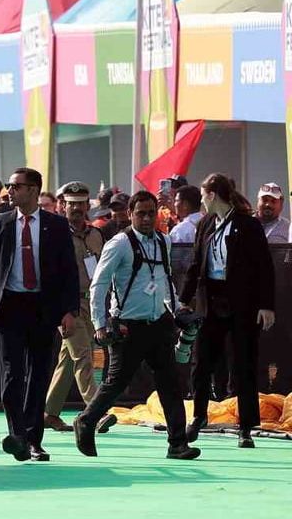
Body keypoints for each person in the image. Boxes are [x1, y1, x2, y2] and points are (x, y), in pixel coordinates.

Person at [75, 191, 200, 460]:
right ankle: (86, 421)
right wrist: (99, 324)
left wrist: (178, 308)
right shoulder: (119, 244)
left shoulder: (163, 242)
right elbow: (99, 285)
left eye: (150, 212)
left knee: (170, 384)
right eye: (140, 213)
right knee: (116, 383)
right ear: (130, 214)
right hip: (127, 327)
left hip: (158, 324)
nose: (146, 218)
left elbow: (165, 281)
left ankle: (177, 443)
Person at [0, 167, 80, 462]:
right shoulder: (1, 224)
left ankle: (34, 439)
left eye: (16, 186)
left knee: (39, 375)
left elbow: (69, 271)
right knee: (12, 374)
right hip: (9, 308)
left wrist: (70, 311)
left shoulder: (56, 226)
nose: (10, 191)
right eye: (9, 185)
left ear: (33, 190)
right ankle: (16, 434)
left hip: (44, 309)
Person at [182, 173, 277, 449]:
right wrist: (183, 300)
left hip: (242, 303)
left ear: (212, 196)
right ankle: (199, 416)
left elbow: (264, 268)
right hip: (210, 301)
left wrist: (266, 305)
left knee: (243, 364)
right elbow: (195, 264)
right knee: (201, 362)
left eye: (203, 196)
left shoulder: (248, 225)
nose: (201, 201)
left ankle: (245, 427)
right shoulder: (205, 225)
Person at [43, 182, 114, 434]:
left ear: (87, 206)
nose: (75, 208)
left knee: (69, 360)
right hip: (67, 305)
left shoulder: (96, 235)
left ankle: (49, 413)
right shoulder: (54, 233)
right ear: (62, 205)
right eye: (70, 203)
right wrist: (61, 309)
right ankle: (96, 412)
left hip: (92, 302)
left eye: (80, 203)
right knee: (84, 356)